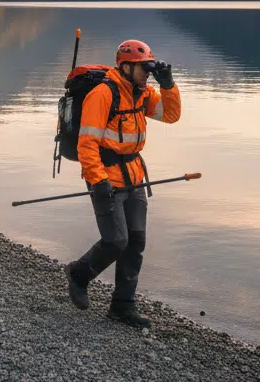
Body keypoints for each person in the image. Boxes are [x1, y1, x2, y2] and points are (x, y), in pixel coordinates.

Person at [65, 39, 180, 328]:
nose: (148, 74)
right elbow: (87, 143)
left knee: (136, 242)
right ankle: (79, 274)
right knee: (116, 241)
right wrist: (98, 180)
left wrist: (168, 85)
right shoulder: (103, 94)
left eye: (150, 69)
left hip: (134, 177)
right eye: (144, 69)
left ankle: (123, 305)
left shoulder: (142, 93)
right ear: (126, 67)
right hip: (106, 177)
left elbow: (170, 115)